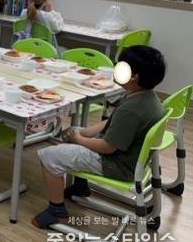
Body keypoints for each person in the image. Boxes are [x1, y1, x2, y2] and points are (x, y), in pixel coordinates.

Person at [32, 45, 166, 229]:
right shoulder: (146, 97)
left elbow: (107, 147)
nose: (115, 68)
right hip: (130, 158)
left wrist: (79, 139)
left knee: (49, 156)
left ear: (134, 77)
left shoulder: (132, 109)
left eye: (120, 66)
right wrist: (82, 133)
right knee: (75, 131)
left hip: (116, 164)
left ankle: (57, 211)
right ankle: (80, 186)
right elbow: (111, 123)